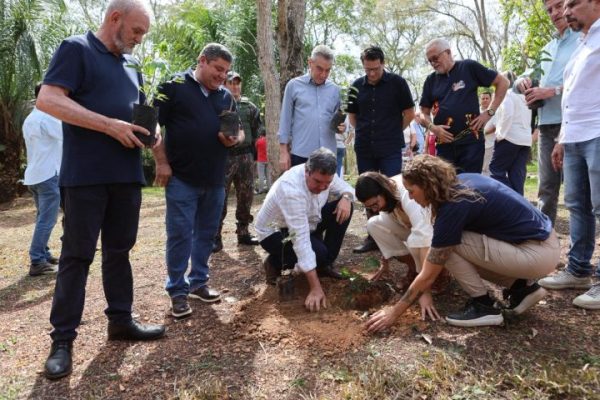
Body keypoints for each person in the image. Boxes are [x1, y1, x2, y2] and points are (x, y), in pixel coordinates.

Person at [36, 0, 165, 380]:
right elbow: (48, 99)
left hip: (126, 176)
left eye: (143, 34)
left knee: (119, 251)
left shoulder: (132, 65)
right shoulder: (76, 49)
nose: (139, 39)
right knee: (77, 256)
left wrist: (154, 132)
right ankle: (62, 340)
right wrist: (108, 125)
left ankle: (120, 320)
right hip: (85, 176)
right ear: (115, 18)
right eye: (136, 31)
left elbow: (139, 109)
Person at [365, 155, 559, 332]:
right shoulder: (460, 183)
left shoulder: (454, 205)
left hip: (536, 252)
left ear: (427, 184)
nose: (410, 197)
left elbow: (429, 274)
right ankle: (522, 288)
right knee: (450, 240)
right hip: (541, 245)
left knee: (446, 245)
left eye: (411, 191)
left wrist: (394, 313)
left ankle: (483, 306)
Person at [152, 43, 242, 318]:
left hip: (215, 178)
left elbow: (237, 131)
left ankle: (198, 282)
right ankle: (177, 290)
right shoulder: (174, 86)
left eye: (225, 72)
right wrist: (161, 162)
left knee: (206, 233)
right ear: (202, 60)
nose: (222, 76)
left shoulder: (225, 97)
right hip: (181, 177)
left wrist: (233, 139)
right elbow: (153, 125)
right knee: (179, 234)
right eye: (218, 69)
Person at [540, 0, 600, 310]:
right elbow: (572, 96)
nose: (566, 12)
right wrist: (562, 139)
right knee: (577, 205)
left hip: (597, 131)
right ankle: (578, 270)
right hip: (574, 135)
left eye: (574, 4)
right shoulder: (581, 44)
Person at [255, 148, 354, 311]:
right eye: (317, 182)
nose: (323, 187)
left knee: (344, 206)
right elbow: (300, 239)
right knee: (318, 254)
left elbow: (347, 188)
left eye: (327, 183)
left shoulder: (325, 173)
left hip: (309, 221)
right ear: (307, 171)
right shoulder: (291, 189)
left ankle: (324, 264)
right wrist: (315, 288)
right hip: (274, 232)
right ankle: (275, 262)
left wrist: (346, 197)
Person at [514, 0, 579, 225]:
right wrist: (522, 82)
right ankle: (545, 240)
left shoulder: (583, 39)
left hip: (573, 123)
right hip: (545, 125)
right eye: (549, 10)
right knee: (546, 190)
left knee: (576, 192)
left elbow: (583, 81)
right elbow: (521, 80)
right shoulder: (546, 49)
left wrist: (551, 91)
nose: (554, 13)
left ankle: (581, 246)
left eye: (558, 6)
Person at [347, 46, 415, 254]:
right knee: (367, 189)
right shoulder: (355, 87)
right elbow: (352, 116)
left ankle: (397, 231)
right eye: (368, 69)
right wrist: (365, 132)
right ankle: (373, 236)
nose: (372, 73)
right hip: (364, 147)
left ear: (383, 64)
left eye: (375, 68)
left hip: (390, 147)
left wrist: (393, 131)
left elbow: (410, 113)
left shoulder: (398, 83)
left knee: (392, 189)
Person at [419, 38, 509, 174]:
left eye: (435, 58)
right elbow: (422, 113)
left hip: (471, 143)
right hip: (444, 146)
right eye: (429, 60)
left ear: (448, 52)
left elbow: (503, 82)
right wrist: (433, 128)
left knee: (471, 184)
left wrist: (489, 112)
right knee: (446, 185)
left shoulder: (468, 67)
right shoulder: (431, 81)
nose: (433, 63)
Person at [354, 172, 432, 289]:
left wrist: (424, 289)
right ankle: (414, 270)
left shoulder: (406, 192)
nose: (375, 209)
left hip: (433, 232)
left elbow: (424, 234)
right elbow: (387, 223)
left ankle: (436, 273)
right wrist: (385, 261)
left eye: (375, 204)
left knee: (415, 240)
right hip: (411, 228)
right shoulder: (386, 196)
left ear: (383, 191)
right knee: (373, 224)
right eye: (370, 207)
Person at [213, 71, 263, 253]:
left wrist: (254, 158)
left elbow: (257, 131)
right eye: (231, 83)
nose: (234, 86)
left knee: (246, 196)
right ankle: (215, 236)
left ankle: (243, 232)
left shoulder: (249, 107)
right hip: (224, 156)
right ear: (224, 84)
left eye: (237, 83)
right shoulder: (217, 103)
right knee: (220, 197)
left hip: (245, 157)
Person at [278, 45, 342, 171]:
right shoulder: (293, 86)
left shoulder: (335, 90)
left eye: (328, 70)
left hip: (328, 155)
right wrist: (283, 152)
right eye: (320, 68)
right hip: (301, 154)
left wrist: (341, 127)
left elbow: (338, 122)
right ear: (310, 62)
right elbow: (285, 120)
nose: (323, 74)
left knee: (327, 185)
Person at [22, 84, 63, 277]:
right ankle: (37, 260)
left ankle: (44, 254)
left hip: (34, 175)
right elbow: (68, 135)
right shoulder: (48, 118)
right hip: (48, 175)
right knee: (47, 220)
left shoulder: (30, 118)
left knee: (42, 218)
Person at [489, 72, 532, 195]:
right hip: (525, 141)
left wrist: (500, 135)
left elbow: (508, 114)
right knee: (517, 175)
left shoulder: (507, 95)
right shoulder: (524, 97)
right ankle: (519, 201)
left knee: (495, 171)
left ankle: (511, 196)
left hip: (509, 138)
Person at [479, 90, 497, 176]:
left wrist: (483, 133)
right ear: (480, 100)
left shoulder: (493, 111)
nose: (485, 100)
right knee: (478, 167)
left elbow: (495, 126)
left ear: (490, 100)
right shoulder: (475, 111)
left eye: (487, 98)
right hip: (477, 144)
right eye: (483, 98)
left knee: (488, 168)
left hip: (490, 144)